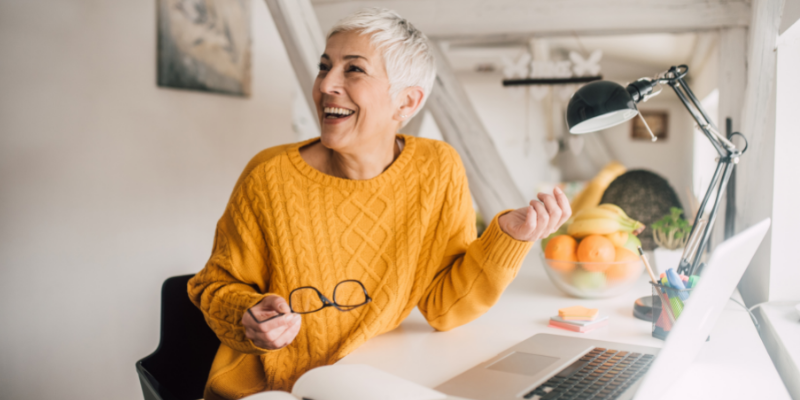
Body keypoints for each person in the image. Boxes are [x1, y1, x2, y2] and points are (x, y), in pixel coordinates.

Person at [188, 8, 571, 400]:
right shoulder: (269, 176)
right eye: (325, 67)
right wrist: (247, 315)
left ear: (405, 103)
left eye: (353, 69)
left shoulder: (437, 168)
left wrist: (509, 236)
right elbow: (213, 285)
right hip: (265, 388)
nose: (326, 85)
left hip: (365, 380)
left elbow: (445, 307)